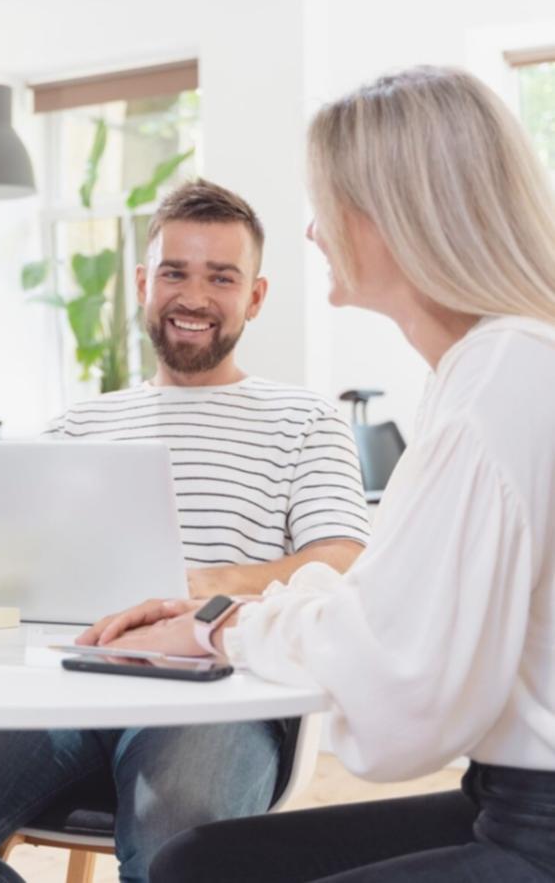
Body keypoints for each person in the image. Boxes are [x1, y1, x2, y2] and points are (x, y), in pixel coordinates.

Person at [95, 66, 555, 882]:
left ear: (397, 216)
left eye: (327, 202)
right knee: (195, 865)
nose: (312, 231)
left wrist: (220, 625)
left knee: (189, 857)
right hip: (505, 796)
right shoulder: (488, 367)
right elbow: (383, 605)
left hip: (535, 826)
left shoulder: (502, 382)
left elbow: (401, 708)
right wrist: (230, 611)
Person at [0, 179, 371, 883]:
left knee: (175, 838)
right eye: (173, 272)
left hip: (218, 692)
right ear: (141, 283)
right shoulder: (79, 424)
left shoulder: (304, 419)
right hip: (68, 685)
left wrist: (193, 588)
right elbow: (12, 561)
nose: (192, 296)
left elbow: (340, 557)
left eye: (220, 277)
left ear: (253, 296)